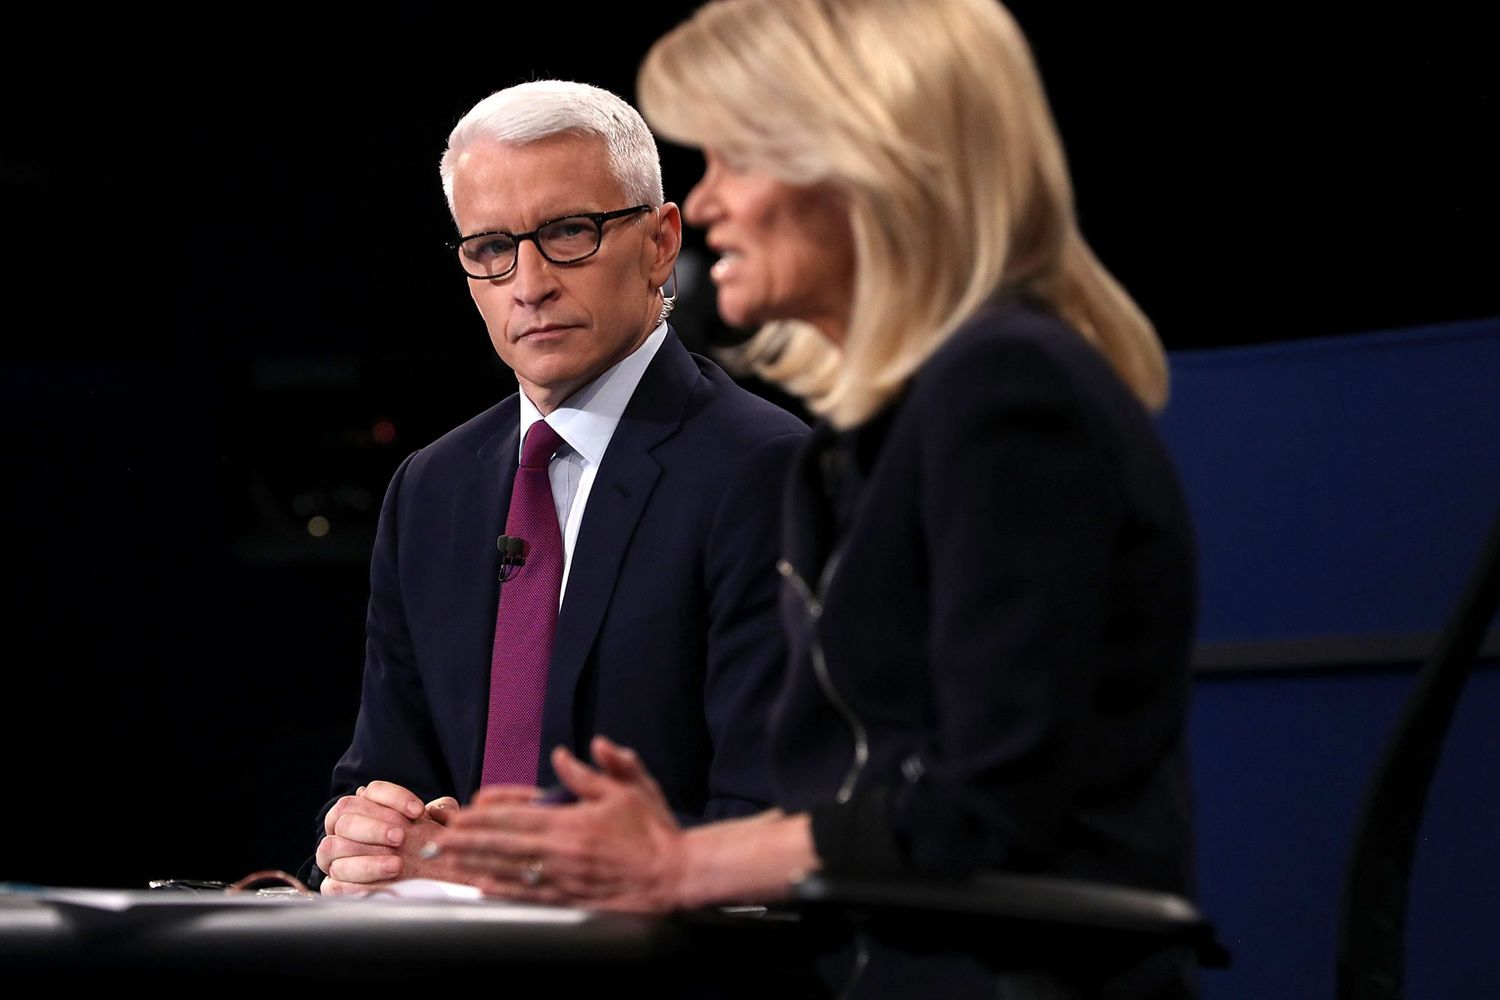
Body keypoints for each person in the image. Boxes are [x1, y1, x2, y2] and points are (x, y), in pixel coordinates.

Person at [435, 1, 1198, 995]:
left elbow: (986, 806)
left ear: (870, 166)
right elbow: (853, 784)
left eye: (738, 159)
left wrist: (680, 862)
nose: (704, 206)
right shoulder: (885, 428)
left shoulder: (1008, 389)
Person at [312, 80, 807, 895]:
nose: (529, 282)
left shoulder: (765, 471)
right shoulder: (429, 491)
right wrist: (363, 841)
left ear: (659, 243)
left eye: (569, 233)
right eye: (490, 249)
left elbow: (775, 819)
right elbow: (384, 777)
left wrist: (498, 870)